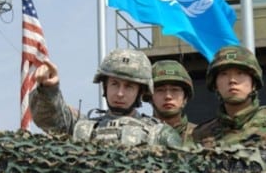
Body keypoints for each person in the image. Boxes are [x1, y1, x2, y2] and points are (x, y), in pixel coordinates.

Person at [29, 49, 182, 147]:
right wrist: (49, 89)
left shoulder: (160, 134)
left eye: (129, 87)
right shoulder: (82, 127)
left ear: (140, 92)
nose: (120, 93)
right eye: (115, 84)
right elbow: (49, 119)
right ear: (105, 86)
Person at [191, 45, 266, 148]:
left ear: (254, 83)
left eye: (240, 73)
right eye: (224, 74)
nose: (232, 80)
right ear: (215, 85)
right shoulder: (201, 134)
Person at [144, 60, 196, 143]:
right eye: (160, 90)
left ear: (185, 98)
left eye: (175, 90)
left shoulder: (202, 136)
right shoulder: (139, 136)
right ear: (150, 97)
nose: (168, 96)